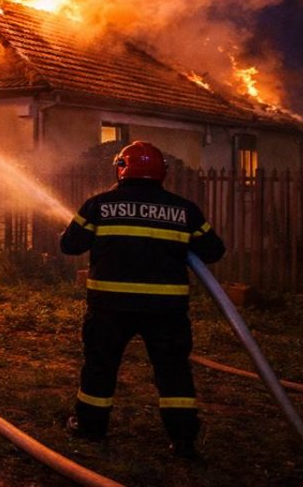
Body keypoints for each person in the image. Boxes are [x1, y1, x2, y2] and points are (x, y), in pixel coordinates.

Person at [60, 141, 225, 459]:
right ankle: (183, 440)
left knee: (100, 367)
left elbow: (70, 246)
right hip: (166, 311)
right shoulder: (184, 210)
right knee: (173, 371)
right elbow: (214, 250)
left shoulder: (99, 205)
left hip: (109, 309)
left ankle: (90, 427)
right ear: (162, 172)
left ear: (120, 168)